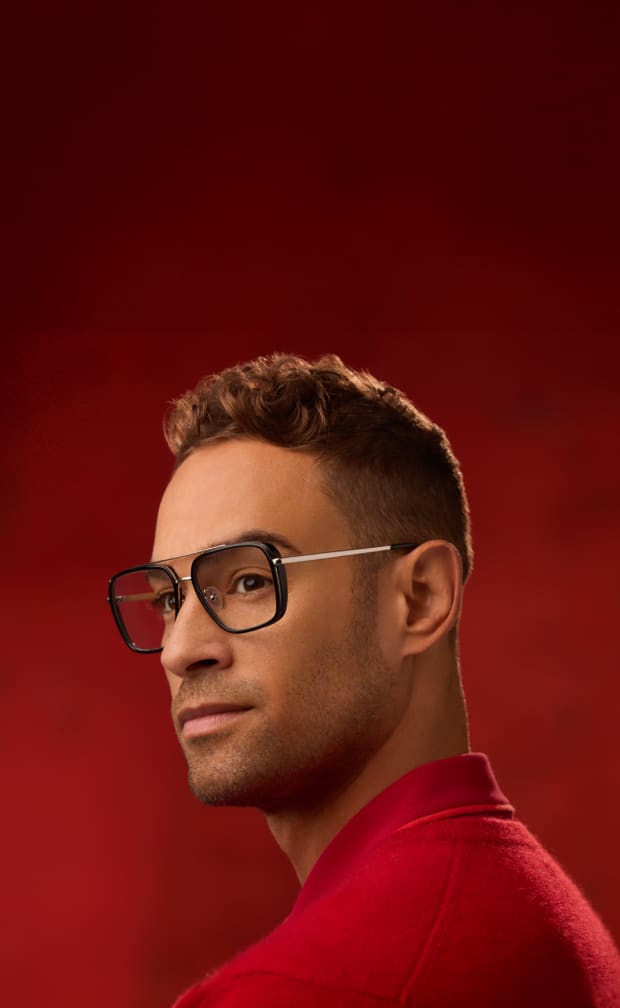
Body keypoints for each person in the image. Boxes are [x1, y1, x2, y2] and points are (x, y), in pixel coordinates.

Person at [108, 353, 620, 1007]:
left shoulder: (300, 992)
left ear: (420, 599)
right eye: (168, 600)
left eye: (248, 581)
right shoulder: (533, 909)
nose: (180, 650)